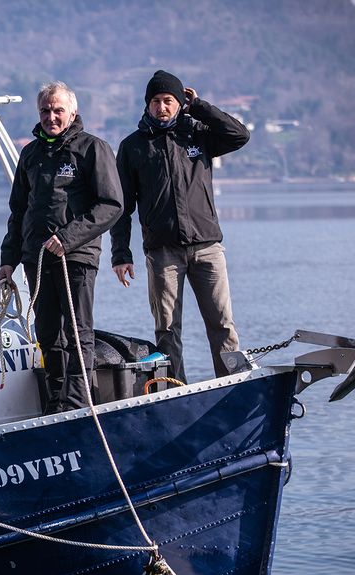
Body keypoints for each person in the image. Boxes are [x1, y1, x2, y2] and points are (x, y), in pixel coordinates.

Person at [110, 70, 250, 383]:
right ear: (147, 105)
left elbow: (239, 135)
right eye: (156, 101)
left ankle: (232, 384)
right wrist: (121, 253)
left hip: (207, 248)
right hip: (163, 255)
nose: (162, 107)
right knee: (167, 330)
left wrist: (199, 106)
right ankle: (175, 389)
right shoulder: (133, 147)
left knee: (223, 324)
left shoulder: (198, 134)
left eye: (169, 101)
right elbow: (122, 207)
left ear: (179, 103)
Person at [0, 81, 123, 414]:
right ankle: (56, 402)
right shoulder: (30, 154)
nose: (51, 116)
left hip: (76, 258)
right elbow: (18, 211)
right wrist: (8, 260)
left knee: (77, 331)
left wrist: (68, 238)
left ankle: (79, 400)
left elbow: (111, 205)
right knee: (48, 333)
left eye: (57, 110)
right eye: (45, 111)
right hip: (36, 260)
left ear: (72, 112)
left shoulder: (92, 149)